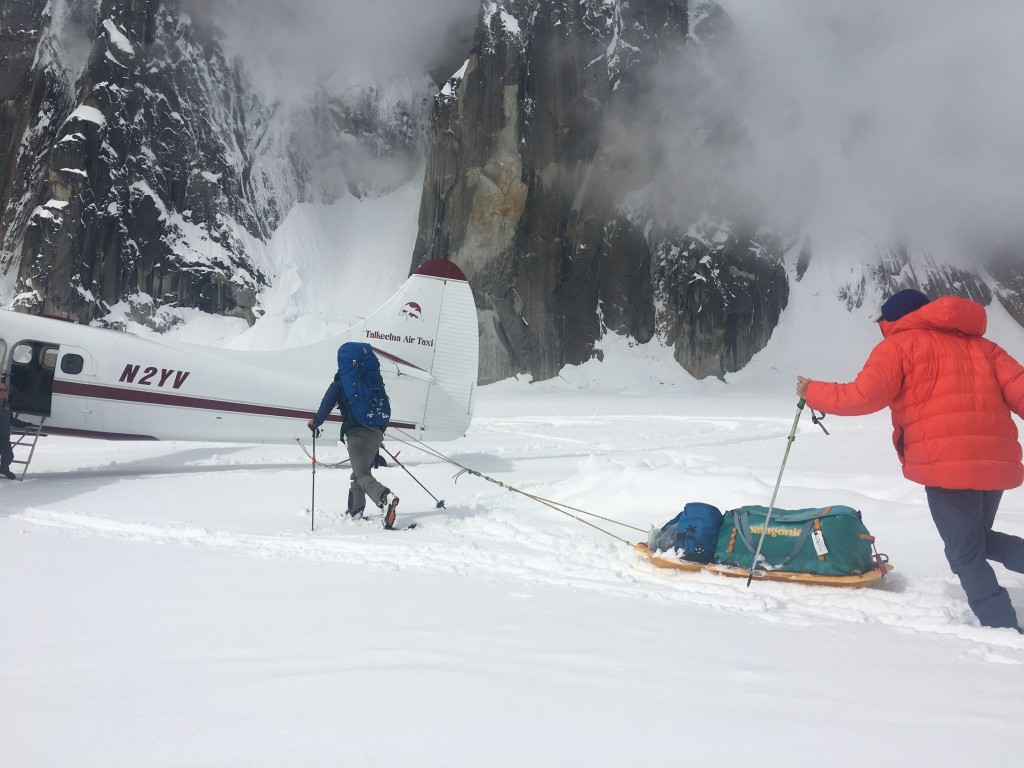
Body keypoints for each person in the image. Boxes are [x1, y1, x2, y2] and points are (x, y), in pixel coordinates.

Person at [796, 288, 1024, 631]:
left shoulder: (900, 345)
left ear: (895, 318)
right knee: (973, 541)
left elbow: (862, 396)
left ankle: (1002, 627)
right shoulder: (985, 347)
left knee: (965, 554)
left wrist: (812, 390)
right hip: (995, 462)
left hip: (946, 464)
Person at [307, 373, 399, 528]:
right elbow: (385, 408)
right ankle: (355, 511)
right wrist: (378, 435)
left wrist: (315, 422)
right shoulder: (372, 381)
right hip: (376, 432)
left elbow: (326, 404)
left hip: (356, 434)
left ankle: (385, 497)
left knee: (362, 474)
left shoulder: (340, 383)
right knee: (358, 472)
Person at [1, 381, 31, 480]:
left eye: (5, 390)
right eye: (1, 390)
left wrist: (24, 424)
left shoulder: (6, 405)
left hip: (3, 437)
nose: (3, 392)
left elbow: (11, 419)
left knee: (9, 457)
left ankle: (4, 469)